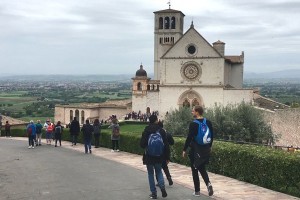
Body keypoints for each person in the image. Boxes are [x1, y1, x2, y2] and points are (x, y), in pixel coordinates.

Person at [182, 105, 214, 197]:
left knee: (195, 169)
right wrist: (210, 146)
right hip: (206, 148)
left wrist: (184, 149)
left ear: (197, 112)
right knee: (202, 167)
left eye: (193, 111)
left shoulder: (193, 124)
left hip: (195, 149)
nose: (192, 112)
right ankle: (208, 183)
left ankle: (197, 191)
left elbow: (189, 137)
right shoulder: (208, 122)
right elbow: (212, 135)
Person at [140, 114, 169, 199]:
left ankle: (154, 193)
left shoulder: (146, 130)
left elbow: (142, 144)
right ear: (156, 120)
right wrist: (167, 157)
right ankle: (162, 187)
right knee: (159, 171)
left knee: (150, 174)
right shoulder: (161, 130)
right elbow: (166, 145)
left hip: (149, 155)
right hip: (159, 155)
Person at [156, 121, 174, 186]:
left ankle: (159, 181)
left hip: (158, 151)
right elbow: (172, 142)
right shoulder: (167, 133)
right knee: (165, 166)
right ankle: (169, 177)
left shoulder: (156, 133)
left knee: (157, 167)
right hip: (166, 151)